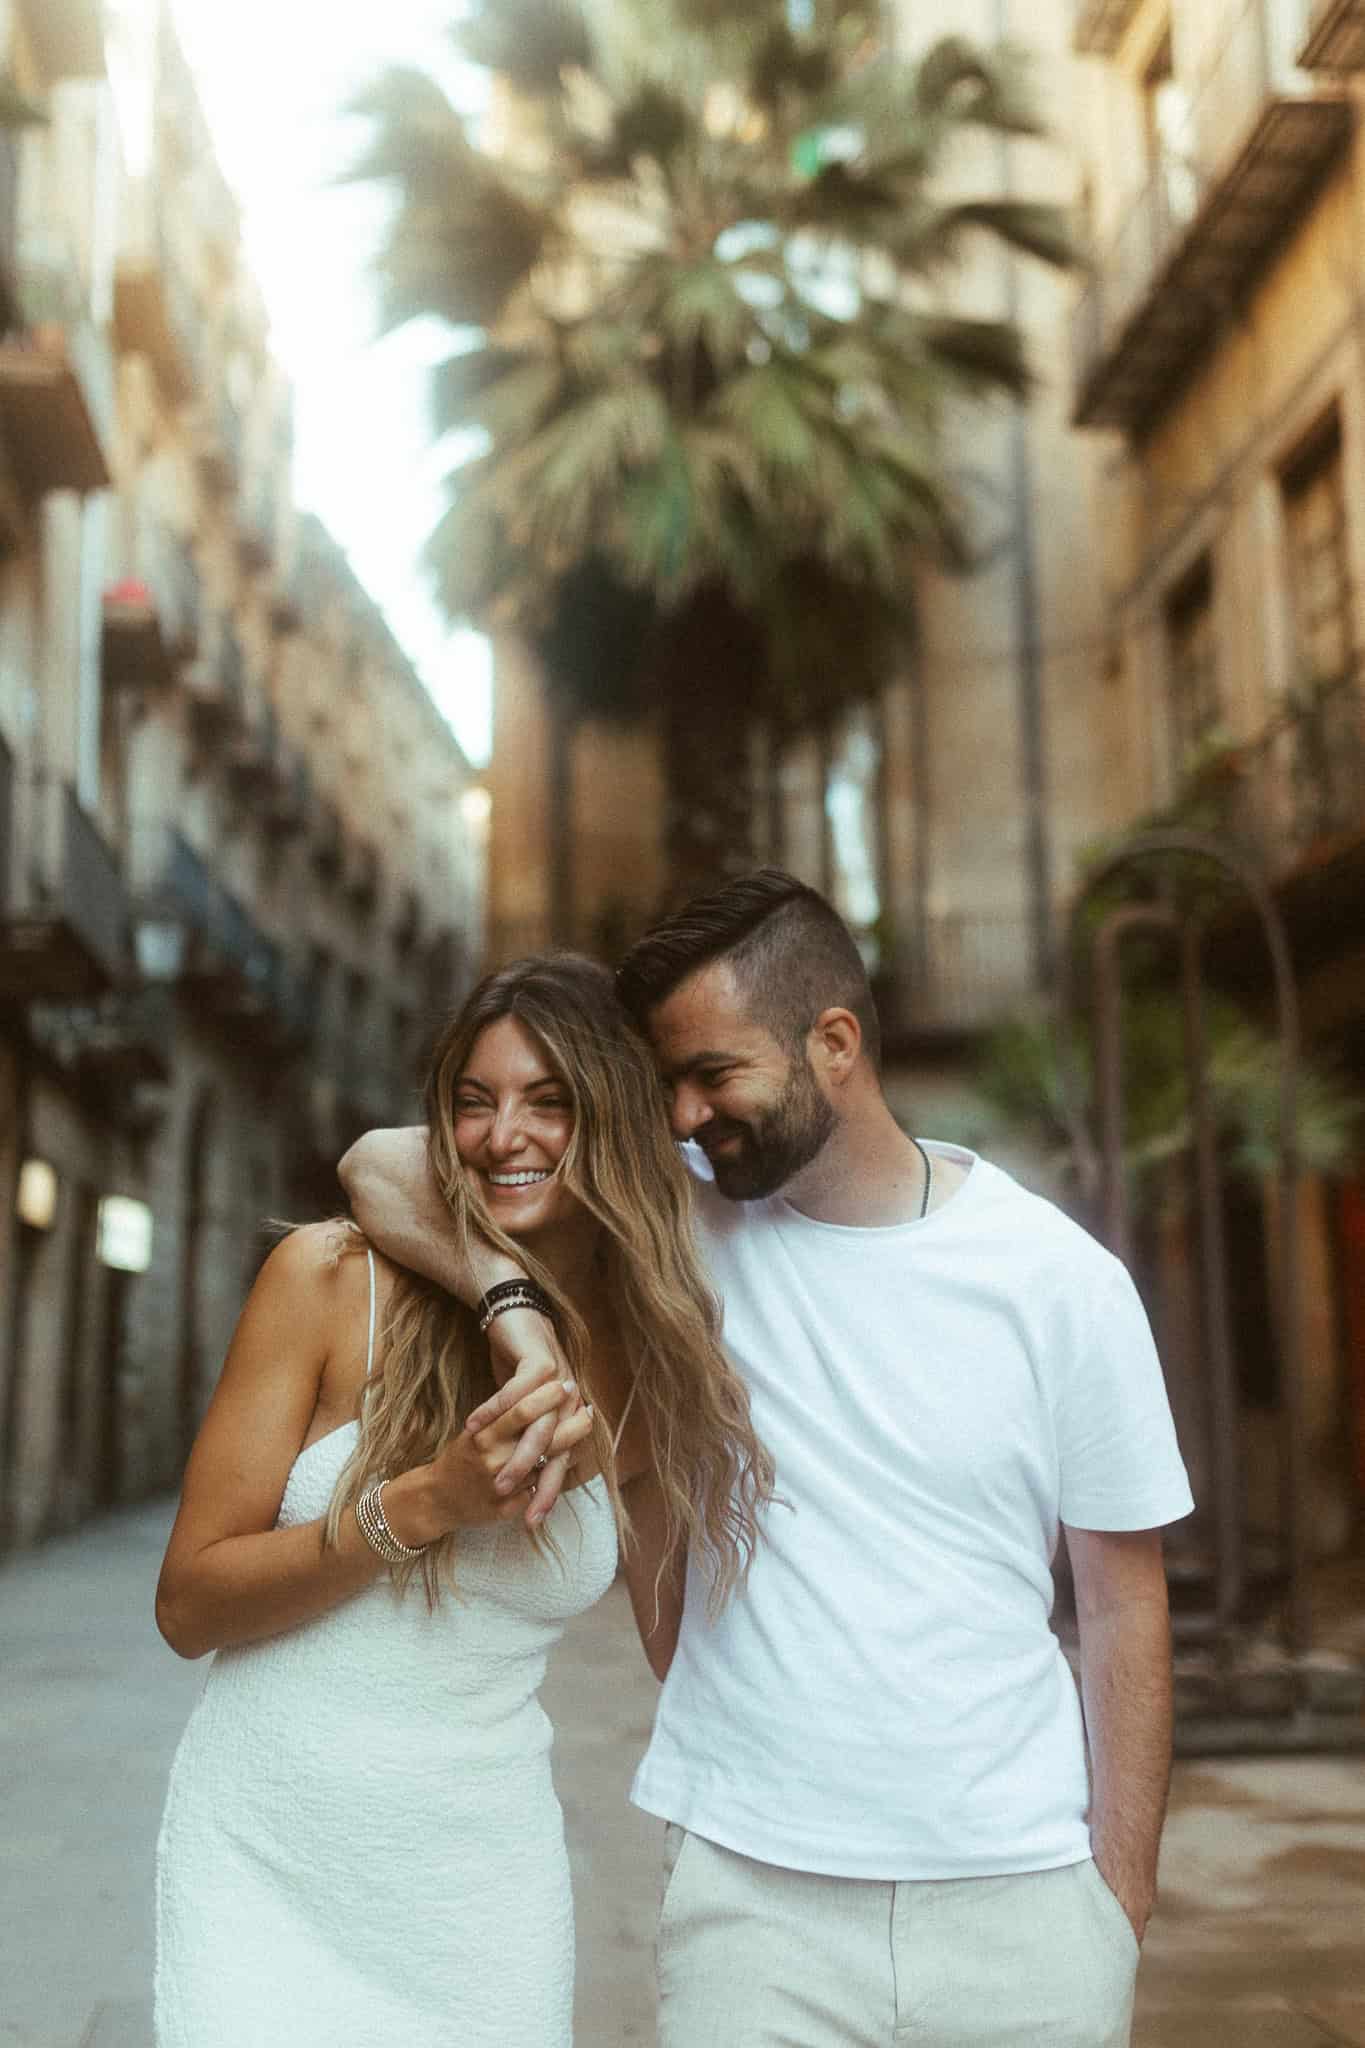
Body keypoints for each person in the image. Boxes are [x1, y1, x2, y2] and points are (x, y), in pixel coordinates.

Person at [342, 868, 1195, 2048]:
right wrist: (515, 1309)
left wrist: (1118, 1900)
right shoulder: (681, 1221)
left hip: (1025, 1902)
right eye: (669, 1083)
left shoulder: (1063, 1283)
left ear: (833, 1041)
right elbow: (383, 1162)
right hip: (753, 1908)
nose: (685, 1115)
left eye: (713, 1074)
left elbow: (1121, 1599)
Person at [153, 954, 773, 2048]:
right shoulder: (331, 1280)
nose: (502, 1135)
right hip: (265, 1857)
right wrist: (427, 1500)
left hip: (480, 1892)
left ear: (615, 1121)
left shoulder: (647, 1365)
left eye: (550, 1101)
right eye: (472, 1101)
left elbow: (689, 1645)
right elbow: (189, 1604)